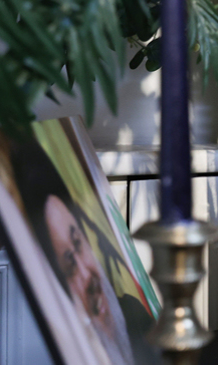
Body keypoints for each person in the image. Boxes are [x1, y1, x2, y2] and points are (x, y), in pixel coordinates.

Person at [13, 139, 159, 365]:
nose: (87, 274)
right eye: (69, 265)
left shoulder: (135, 313)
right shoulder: (55, 349)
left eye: (78, 243)